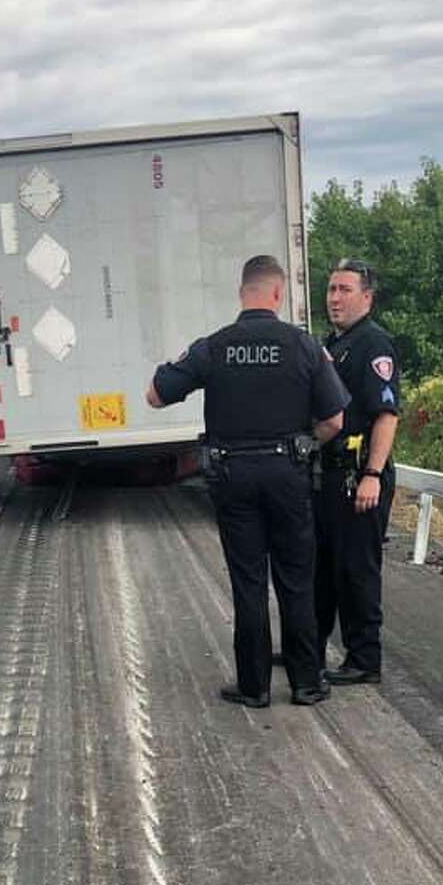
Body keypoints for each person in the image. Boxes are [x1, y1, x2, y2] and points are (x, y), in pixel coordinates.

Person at [146, 255, 347, 707]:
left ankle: (254, 686)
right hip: (288, 474)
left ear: (242, 293)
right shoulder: (304, 347)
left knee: (248, 580)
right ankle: (306, 682)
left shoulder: (214, 347)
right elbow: (335, 420)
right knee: (297, 578)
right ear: (278, 294)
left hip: (233, 476)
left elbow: (155, 395)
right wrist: (302, 442)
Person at [317, 259, 401, 685]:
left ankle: (364, 659)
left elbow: (386, 415)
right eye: (331, 289)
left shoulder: (373, 345)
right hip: (328, 475)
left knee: (356, 569)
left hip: (359, 475)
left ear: (366, 297)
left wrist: (372, 473)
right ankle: (309, 647)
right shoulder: (334, 343)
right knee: (324, 567)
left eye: (344, 290)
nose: (334, 298)